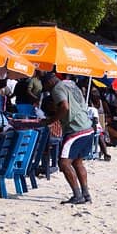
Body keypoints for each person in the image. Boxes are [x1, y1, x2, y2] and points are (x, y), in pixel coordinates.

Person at [42, 72, 93, 204]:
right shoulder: (70, 84)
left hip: (75, 129)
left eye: (45, 87)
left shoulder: (57, 88)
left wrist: (52, 120)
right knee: (77, 162)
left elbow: (64, 106)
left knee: (64, 163)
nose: (47, 90)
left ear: (49, 82)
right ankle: (86, 194)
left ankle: (77, 195)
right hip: (87, 126)